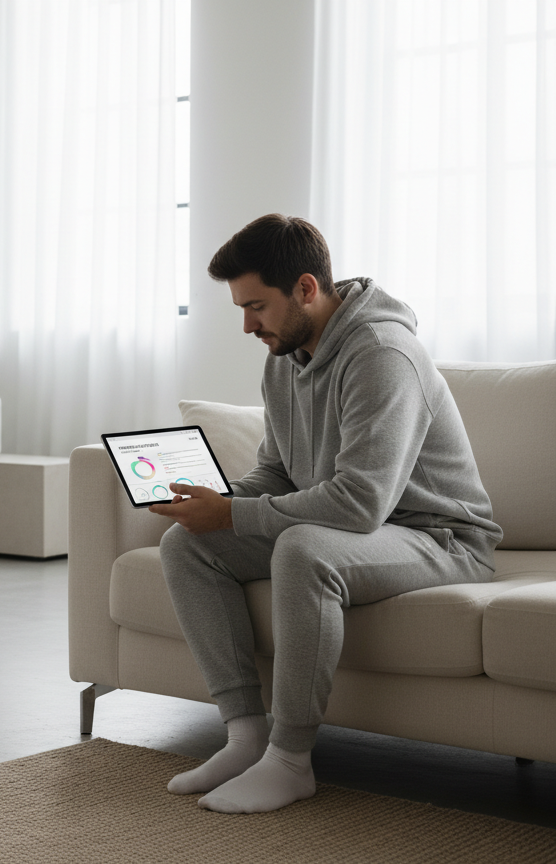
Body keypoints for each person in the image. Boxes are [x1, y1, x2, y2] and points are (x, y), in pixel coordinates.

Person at [151, 214, 502, 814]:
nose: (246, 325)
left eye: (257, 306)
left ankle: (290, 762)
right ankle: (245, 736)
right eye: (241, 308)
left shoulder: (384, 353)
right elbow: (277, 471)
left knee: (304, 551)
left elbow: (360, 503)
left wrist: (236, 515)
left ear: (307, 289)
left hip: (437, 537)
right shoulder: (284, 358)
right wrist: (215, 503)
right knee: (187, 546)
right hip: (364, 530)